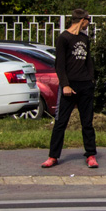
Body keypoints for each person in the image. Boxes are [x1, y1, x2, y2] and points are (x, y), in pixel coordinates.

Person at [41, 9, 98, 169]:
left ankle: (91, 155)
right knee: (60, 122)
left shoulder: (84, 39)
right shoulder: (64, 38)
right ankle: (53, 156)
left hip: (85, 85)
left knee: (87, 122)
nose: (89, 23)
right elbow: (59, 64)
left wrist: (91, 79)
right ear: (82, 20)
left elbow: (88, 61)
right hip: (69, 86)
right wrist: (65, 84)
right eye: (89, 20)